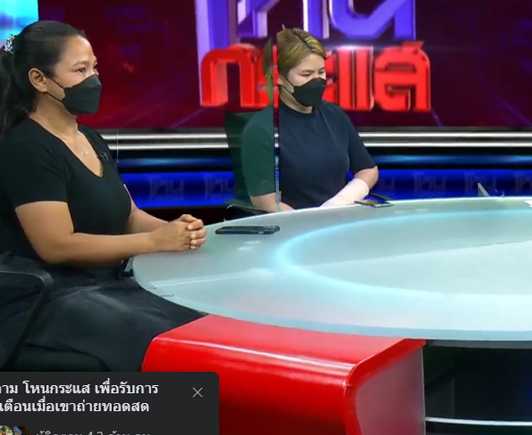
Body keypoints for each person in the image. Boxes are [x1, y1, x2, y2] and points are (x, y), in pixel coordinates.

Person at [0, 21, 207, 371]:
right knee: (165, 344)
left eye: (94, 68)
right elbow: (56, 245)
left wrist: (177, 231)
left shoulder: (91, 139)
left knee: (199, 318)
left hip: (106, 285)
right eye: (80, 70)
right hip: (49, 299)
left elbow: (128, 215)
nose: (94, 79)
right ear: (39, 80)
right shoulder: (27, 148)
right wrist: (154, 242)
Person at [241, 28, 379, 212]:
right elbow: (266, 202)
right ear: (279, 77)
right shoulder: (261, 129)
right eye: (306, 75)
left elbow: (368, 170)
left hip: (341, 222)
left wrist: (343, 200)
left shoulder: (335, 115)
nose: (317, 81)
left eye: (321, 72)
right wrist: (312, 222)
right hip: (293, 226)